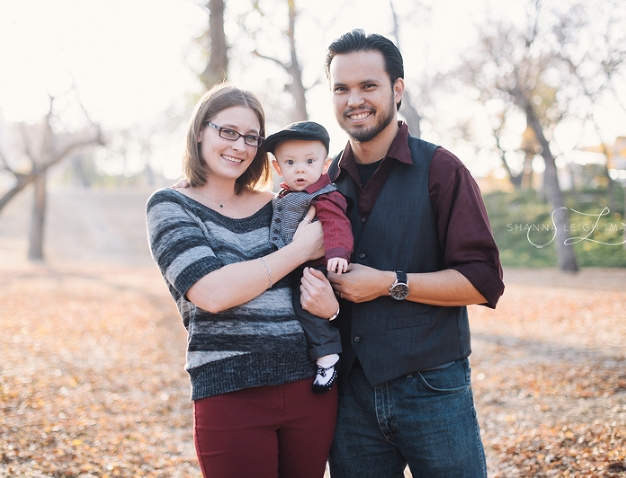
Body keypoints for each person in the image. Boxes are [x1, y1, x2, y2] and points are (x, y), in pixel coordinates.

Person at [323, 29, 505, 478]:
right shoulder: (323, 180)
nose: (354, 100)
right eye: (341, 88)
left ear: (397, 89)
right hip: (349, 395)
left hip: (433, 387)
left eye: (368, 86)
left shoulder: (441, 169)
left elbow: (483, 279)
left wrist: (390, 282)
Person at [146, 83, 340, 478]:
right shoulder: (169, 206)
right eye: (228, 131)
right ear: (200, 130)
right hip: (230, 391)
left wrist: (332, 308)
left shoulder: (280, 204)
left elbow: (322, 272)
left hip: (309, 388)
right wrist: (296, 251)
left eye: (252, 137)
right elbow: (213, 292)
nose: (240, 145)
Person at [263, 121, 354, 393]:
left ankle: (327, 357)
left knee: (308, 305)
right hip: (291, 264)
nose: (300, 169)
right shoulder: (283, 195)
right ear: (278, 168)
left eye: (309, 161)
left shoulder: (323, 196)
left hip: (315, 267)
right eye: (290, 163)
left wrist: (339, 252)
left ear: (324, 165)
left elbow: (336, 224)